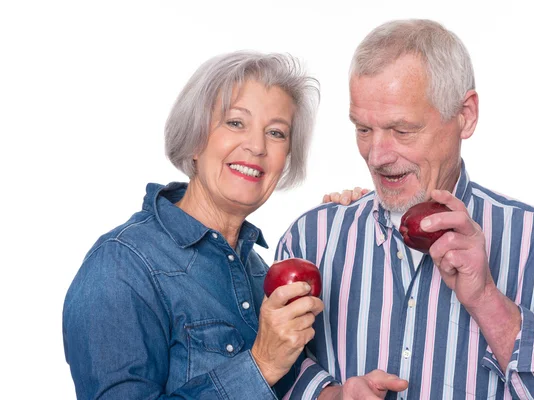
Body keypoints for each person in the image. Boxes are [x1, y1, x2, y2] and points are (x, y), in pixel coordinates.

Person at [278, 19, 534, 399]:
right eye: (363, 129)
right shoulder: (310, 239)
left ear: (465, 115)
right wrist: (327, 395)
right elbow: (273, 372)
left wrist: (487, 301)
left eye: (402, 130)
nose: (377, 156)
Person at [62, 51, 363, 399]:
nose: (256, 146)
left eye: (277, 132)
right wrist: (261, 365)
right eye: (236, 122)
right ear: (194, 139)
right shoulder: (122, 266)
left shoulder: (257, 273)